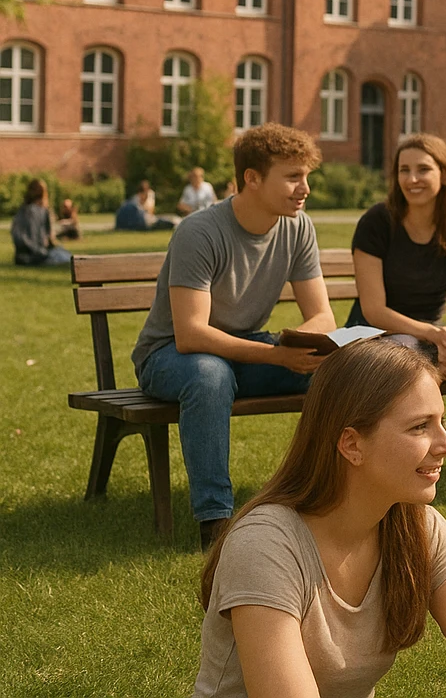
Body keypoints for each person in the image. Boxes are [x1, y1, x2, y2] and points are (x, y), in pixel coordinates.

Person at [195, 339, 446, 698]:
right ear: (352, 445)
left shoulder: (417, 527)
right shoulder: (265, 546)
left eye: (441, 422)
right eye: (420, 426)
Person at [130, 124, 337, 549]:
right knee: (210, 375)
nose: (306, 188)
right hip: (170, 356)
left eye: (306, 176)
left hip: (245, 349)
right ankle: (216, 523)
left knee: (339, 373)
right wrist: (278, 356)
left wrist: (299, 343)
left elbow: (322, 315)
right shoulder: (200, 232)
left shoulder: (296, 227)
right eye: (293, 177)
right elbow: (191, 335)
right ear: (252, 178)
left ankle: (325, 499)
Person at [348, 134, 446, 498]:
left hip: (435, 337)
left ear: (444, 174)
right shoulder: (377, 222)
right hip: (380, 337)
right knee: (405, 347)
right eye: (404, 170)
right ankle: (408, 465)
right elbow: (374, 310)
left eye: (422, 169)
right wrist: (435, 337)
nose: (412, 179)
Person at [10, 179, 72, 266]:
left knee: (62, 254)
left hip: (36, 252)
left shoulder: (33, 210)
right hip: (31, 254)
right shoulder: (30, 211)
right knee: (62, 256)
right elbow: (22, 237)